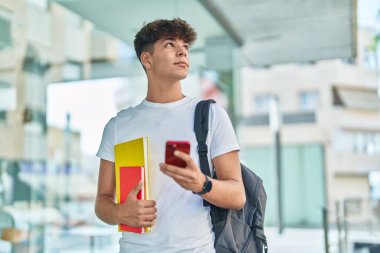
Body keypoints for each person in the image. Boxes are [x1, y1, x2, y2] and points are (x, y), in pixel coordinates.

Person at [95, 18, 245, 253]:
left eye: (185, 46)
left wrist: (202, 184)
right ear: (147, 59)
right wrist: (119, 212)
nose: (182, 52)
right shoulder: (119, 125)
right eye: (169, 45)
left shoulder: (210, 115)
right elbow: (102, 201)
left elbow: (238, 196)